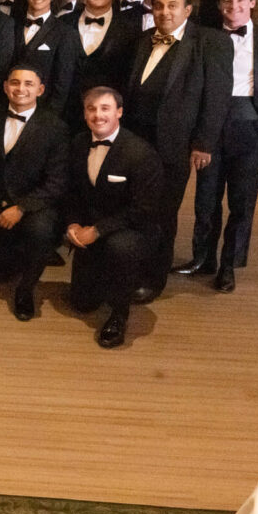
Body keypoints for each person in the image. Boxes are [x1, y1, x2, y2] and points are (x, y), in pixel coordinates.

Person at [178, 0, 258, 292]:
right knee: (206, 199)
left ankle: (228, 266)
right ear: (220, 6)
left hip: (250, 127)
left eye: (241, 1)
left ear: (252, 2)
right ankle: (203, 258)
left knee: (242, 204)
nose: (234, 8)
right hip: (211, 128)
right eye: (228, 2)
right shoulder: (205, 38)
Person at [123, 0, 232, 302]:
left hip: (174, 144)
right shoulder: (143, 40)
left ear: (187, 10)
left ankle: (152, 279)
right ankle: (126, 268)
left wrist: (204, 143)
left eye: (172, 6)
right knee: (133, 206)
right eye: (158, 6)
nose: (164, 12)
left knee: (162, 213)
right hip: (135, 141)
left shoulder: (210, 42)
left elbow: (217, 97)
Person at [65, 87, 164, 349]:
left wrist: (97, 230)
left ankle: (120, 315)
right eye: (91, 109)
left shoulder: (140, 153)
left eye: (105, 108)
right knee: (81, 303)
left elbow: (144, 209)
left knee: (119, 248)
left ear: (119, 112)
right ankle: (99, 278)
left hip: (134, 229)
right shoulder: (77, 143)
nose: (98, 115)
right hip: (92, 226)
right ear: (85, 113)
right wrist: (73, 224)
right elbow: (73, 192)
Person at [0, 65, 69, 320]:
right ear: (6, 87)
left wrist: (22, 207)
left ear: (40, 90)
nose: (21, 89)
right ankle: (9, 257)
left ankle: (26, 290)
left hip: (35, 203)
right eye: (15, 83)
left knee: (40, 232)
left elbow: (57, 182)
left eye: (29, 84)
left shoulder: (55, 127)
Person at [68, 0, 143, 124]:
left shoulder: (129, 28)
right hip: (67, 107)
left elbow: (130, 73)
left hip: (106, 113)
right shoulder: (65, 22)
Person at [11, 0, 78, 115]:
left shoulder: (65, 32)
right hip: (8, 105)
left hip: (44, 110)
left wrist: (51, 116)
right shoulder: (11, 26)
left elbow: (63, 81)